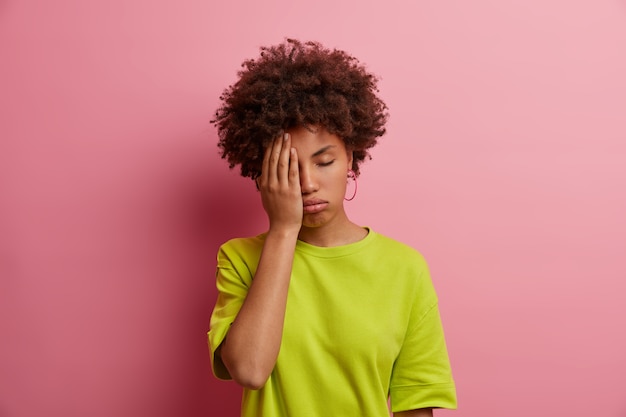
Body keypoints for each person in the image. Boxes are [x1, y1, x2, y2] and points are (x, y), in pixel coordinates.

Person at [208, 38, 457, 417]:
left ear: (351, 158)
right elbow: (250, 369)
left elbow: (415, 406)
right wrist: (283, 231)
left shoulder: (405, 269)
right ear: (262, 174)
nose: (307, 183)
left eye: (324, 162)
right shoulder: (240, 259)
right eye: (289, 169)